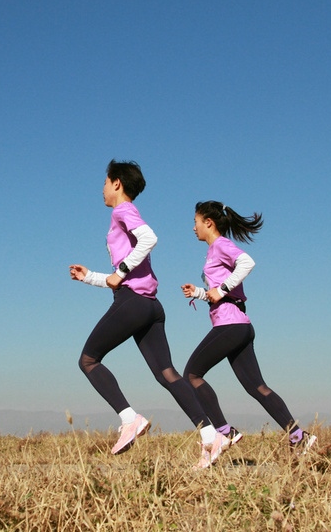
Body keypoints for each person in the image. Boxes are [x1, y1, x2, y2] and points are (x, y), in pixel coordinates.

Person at [69, 161, 228, 467]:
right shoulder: (125, 216)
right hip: (150, 306)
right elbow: (121, 278)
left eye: (105, 182)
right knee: (168, 374)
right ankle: (211, 436)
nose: (102, 189)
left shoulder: (122, 211)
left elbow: (149, 240)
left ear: (117, 183)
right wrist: (90, 277)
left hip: (133, 303)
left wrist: (120, 271)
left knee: (88, 360)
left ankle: (130, 418)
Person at [180, 201, 316, 460]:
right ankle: (299, 436)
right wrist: (199, 292)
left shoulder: (220, 245)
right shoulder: (213, 251)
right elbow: (221, 293)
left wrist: (220, 290)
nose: (193, 227)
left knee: (192, 375)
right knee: (257, 387)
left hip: (230, 325)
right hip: (239, 324)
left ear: (209, 222)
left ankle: (224, 431)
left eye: (195, 222)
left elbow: (247, 262)